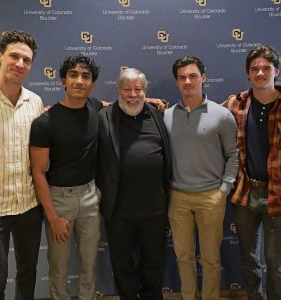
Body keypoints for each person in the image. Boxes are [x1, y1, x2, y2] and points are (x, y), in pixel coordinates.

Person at [164, 56, 238, 300]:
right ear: (176, 81)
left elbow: (233, 155)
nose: (188, 81)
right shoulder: (165, 117)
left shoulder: (222, 115)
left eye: (193, 76)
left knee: (210, 258)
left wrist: (223, 191)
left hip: (211, 198)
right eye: (182, 77)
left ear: (203, 78)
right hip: (178, 198)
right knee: (183, 257)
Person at [29, 55, 102, 300]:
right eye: (73, 75)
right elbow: (38, 172)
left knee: (89, 266)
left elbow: (123, 101)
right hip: (59, 201)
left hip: (91, 198)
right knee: (59, 269)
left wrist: (148, 99)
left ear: (92, 84)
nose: (79, 81)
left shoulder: (94, 106)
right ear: (63, 81)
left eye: (86, 76)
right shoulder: (45, 122)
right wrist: (53, 217)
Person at [96, 68, 171, 300]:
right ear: (118, 91)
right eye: (127, 89)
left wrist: (148, 100)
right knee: (122, 264)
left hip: (155, 208)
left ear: (145, 92)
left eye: (138, 89)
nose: (132, 94)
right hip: (118, 209)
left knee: (154, 262)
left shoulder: (158, 114)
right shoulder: (103, 117)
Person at [0, 30, 43, 300]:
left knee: (28, 271)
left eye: (26, 60)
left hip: (28, 205)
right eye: (14, 56)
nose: (20, 64)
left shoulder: (35, 101)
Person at [222, 45, 281, 300]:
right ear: (248, 74)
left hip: (277, 194)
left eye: (266, 68)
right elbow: (203, 112)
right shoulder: (236, 102)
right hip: (244, 193)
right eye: (254, 69)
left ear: (276, 71)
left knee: (275, 261)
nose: (260, 73)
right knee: (249, 258)